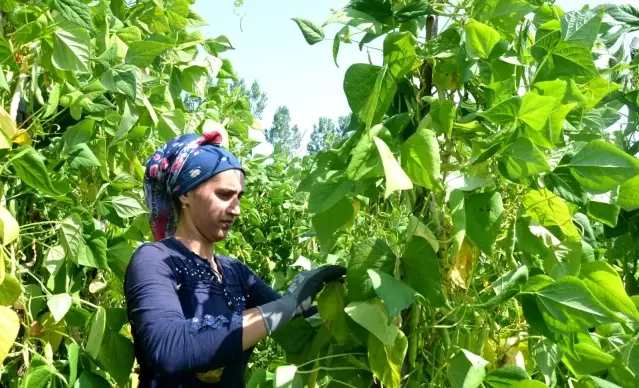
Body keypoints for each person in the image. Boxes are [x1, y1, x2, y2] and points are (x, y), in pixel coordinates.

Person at [123, 130, 346, 387]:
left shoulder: (235, 272)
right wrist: (286, 305)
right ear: (185, 193)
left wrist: (350, 301)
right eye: (224, 195)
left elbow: (297, 331)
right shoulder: (155, 259)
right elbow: (169, 348)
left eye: (238, 197)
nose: (236, 209)